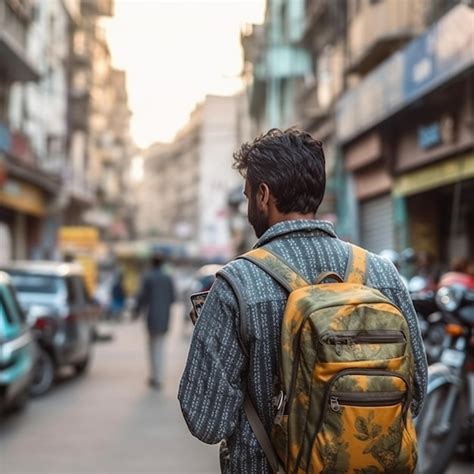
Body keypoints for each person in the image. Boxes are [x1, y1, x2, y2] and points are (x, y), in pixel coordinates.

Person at [178, 129, 427, 473]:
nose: (249, 204)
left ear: (263, 196)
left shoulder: (236, 284)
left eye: (248, 193)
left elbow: (207, 420)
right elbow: (414, 394)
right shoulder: (382, 274)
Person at [134, 254, 175, 389]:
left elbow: (142, 297)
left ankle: (155, 376)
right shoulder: (167, 278)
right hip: (165, 317)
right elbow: (173, 298)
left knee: (152, 347)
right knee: (160, 347)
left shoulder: (148, 277)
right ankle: (158, 377)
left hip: (151, 317)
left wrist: (136, 312)